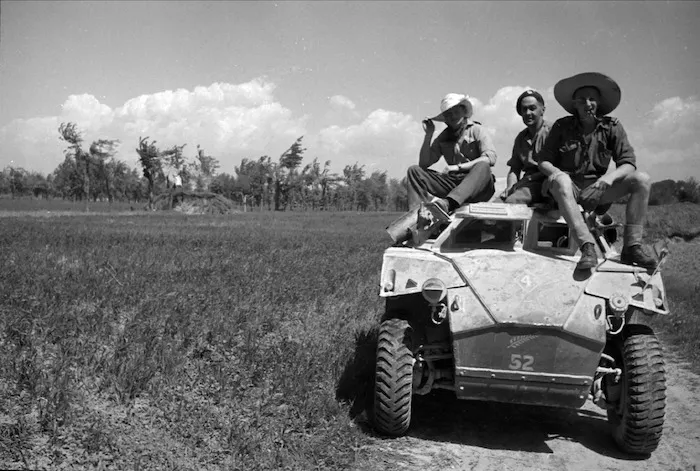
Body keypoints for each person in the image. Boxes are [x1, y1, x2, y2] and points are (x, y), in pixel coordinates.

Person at [536, 72, 657, 270]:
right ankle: (587, 246)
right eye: (582, 100)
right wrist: (559, 174)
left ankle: (632, 247)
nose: (588, 104)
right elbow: (543, 161)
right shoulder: (561, 126)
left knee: (642, 179)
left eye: (592, 99)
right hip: (565, 189)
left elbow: (628, 163)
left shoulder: (612, 127)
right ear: (574, 104)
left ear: (599, 103)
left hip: (596, 191)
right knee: (561, 181)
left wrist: (607, 181)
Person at [407, 93, 496, 214]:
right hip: (453, 182)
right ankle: (417, 216)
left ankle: (448, 203)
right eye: (448, 114)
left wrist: (458, 167)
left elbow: (490, 158)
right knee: (414, 171)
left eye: (456, 112)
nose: (453, 116)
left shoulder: (477, 130)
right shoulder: (443, 136)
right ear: (444, 119)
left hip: (478, 186)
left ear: (464, 111)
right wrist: (428, 135)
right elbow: (424, 164)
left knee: (482, 166)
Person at [501, 89, 552, 204]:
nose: (528, 113)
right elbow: (514, 168)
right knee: (494, 206)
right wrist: (510, 187)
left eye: (532, 108)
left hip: (547, 182)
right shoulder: (521, 138)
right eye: (524, 109)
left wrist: (524, 182)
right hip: (526, 184)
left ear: (542, 110)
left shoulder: (552, 132)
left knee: (513, 201)